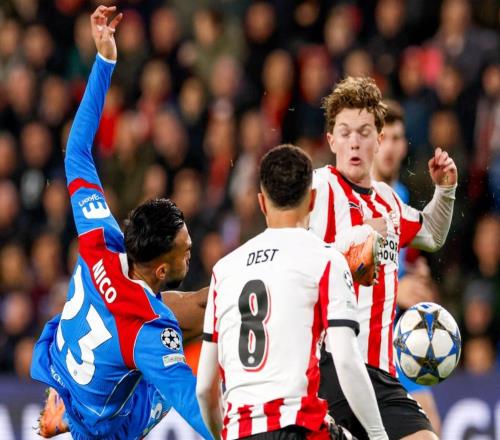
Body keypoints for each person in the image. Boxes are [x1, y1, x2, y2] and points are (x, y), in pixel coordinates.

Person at [30, 7, 211, 440]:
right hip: (103, 425)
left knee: (204, 306)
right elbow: (193, 405)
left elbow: (77, 152)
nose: (191, 252)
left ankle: (63, 404)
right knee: (203, 343)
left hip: (62, 360)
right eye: (185, 250)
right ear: (162, 269)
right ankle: (69, 416)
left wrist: (104, 60)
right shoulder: (147, 329)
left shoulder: (101, 236)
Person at [196, 144, 388, 440]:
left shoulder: (223, 271)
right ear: (313, 199)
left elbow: (203, 389)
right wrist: (378, 435)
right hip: (296, 426)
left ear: (262, 203)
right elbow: (346, 361)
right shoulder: (326, 260)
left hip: (238, 431)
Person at [310, 77, 457, 440]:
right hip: (330, 369)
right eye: (345, 132)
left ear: (378, 139)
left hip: (381, 374)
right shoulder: (317, 190)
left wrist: (445, 190)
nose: (354, 142)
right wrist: (349, 247)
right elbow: (290, 255)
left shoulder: (388, 201)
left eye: (364, 132)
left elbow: (432, 234)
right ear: (331, 140)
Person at [371, 101, 442, 435]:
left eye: (396, 138)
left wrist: (419, 278)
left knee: (430, 427)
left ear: (404, 146)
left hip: (399, 335)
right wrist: (397, 290)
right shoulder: (361, 200)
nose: (389, 147)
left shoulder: (403, 197)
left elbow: (404, 260)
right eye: (382, 138)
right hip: (366, 338)